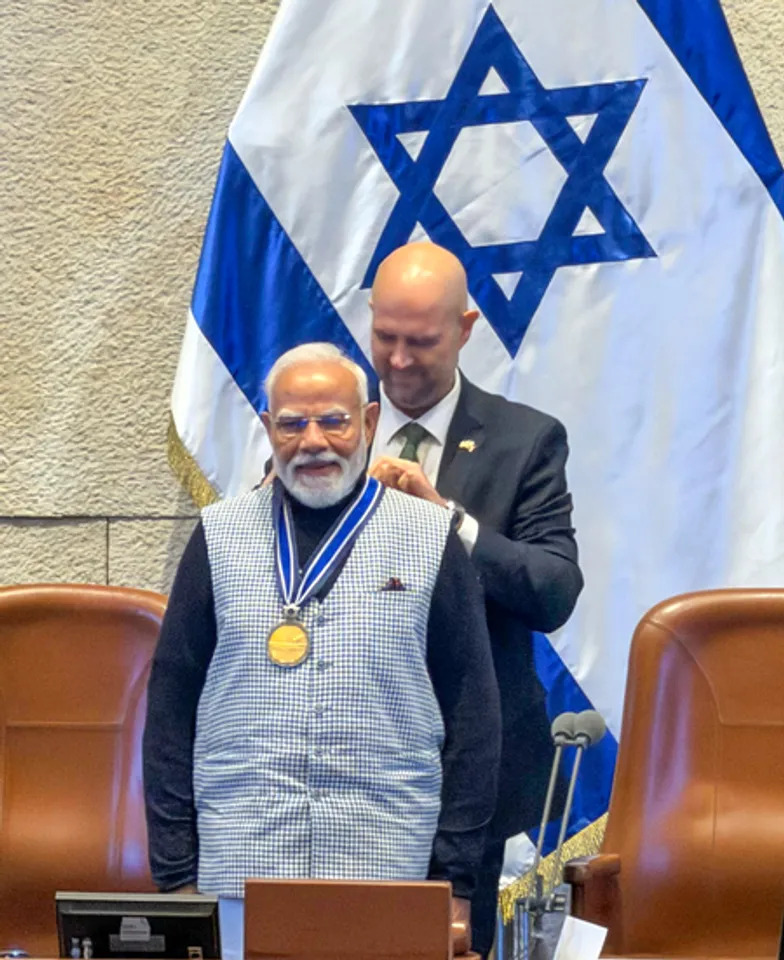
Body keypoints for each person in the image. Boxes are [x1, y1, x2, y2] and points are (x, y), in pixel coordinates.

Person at [143, 342, 502, 960]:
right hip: (239, 870)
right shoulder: (220, 537)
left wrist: (456, 881)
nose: (313, 441)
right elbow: (171, 712)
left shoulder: (428, 537)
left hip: (389, 868)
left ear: (367, 424)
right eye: (292, 423)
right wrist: (176, 874)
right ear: (267, 430)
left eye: (333, 420)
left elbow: (474, 721)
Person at [368, 242, 584, 958]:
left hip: (472, 778)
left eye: (420, 342)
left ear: (465, 328)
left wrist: (447, 521)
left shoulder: (525, 441)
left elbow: (553, 590)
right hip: (347, 768)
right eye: (385, 337)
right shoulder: (331, 428)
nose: (398, 361)